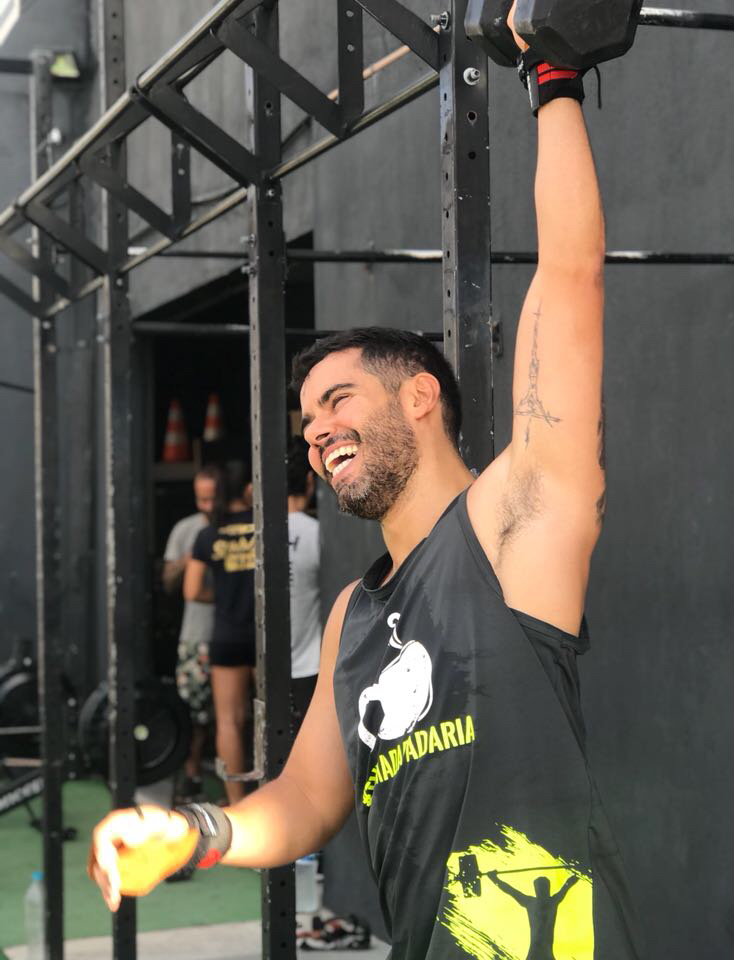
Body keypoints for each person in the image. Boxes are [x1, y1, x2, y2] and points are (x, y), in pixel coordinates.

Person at [90, 7, 640, 957]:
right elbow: (307, 800)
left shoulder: (513, 524)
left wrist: (551, 79)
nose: (316, 432)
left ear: (421, 395)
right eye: (307, 421)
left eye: (338, 400)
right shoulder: (355, 615)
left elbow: (570, 277)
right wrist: (195, 831)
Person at [185, 459, 256, 806]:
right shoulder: (266, 524)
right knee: (277, 715)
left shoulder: (208, 534)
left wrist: (223, 596)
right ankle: (280, 796)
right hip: (267, 634)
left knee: (229, 722)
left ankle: (237, 804)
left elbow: (191, 590)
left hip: (227, 635)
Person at [161, 465, 219, 802]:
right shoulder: (186, 529)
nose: (207, 506)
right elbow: (167, 583)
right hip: (195, 635)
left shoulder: (236, 527)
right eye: (202, 499)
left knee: (232, 714)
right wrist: (188, 560)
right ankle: (192, 776)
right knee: (192, 715)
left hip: (231, 632)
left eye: (212, 498)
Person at [286, 439, 323, 736]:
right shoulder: (317, 534)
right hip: (312, 663)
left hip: (267, 663)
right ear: (311, 481)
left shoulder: (257, 533)